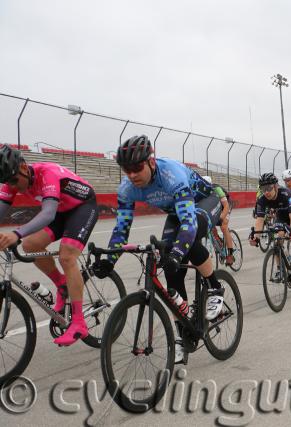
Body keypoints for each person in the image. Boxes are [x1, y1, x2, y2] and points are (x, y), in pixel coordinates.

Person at [92, 135, 225, 363]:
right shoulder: (126, 189)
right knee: (171, 271)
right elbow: (122, 229)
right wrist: (110, 260)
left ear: (151, 162)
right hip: (177, 213)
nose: (132, 174)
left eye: (137, 168)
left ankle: (215, 288)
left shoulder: (171, 175)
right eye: (127, 169)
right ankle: (183, 335)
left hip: (205, 202)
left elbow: (189, 224)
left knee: (188, 244)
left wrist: (176, 252)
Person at [0, 144, 98, 346]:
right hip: (62, 211)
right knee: (30, 244)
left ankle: (79, 322)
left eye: (15, 180)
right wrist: (20, 236)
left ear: (24, 168)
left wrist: (16, 233)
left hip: (82, 207)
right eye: (7, 182)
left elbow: (48, 214)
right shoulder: (11, 180)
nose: (14, 186)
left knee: (67, 256)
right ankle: (62, 284)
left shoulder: (48, 174)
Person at [249, 173, 291, 280]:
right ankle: (280, 269)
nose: (266, 192)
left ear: (276, 186)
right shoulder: (262, 199)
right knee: (278, 239)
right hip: (282, 215)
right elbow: (260, 220)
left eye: (269, 188)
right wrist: (256, 237)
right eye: (263, 189)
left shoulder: (286, 194)